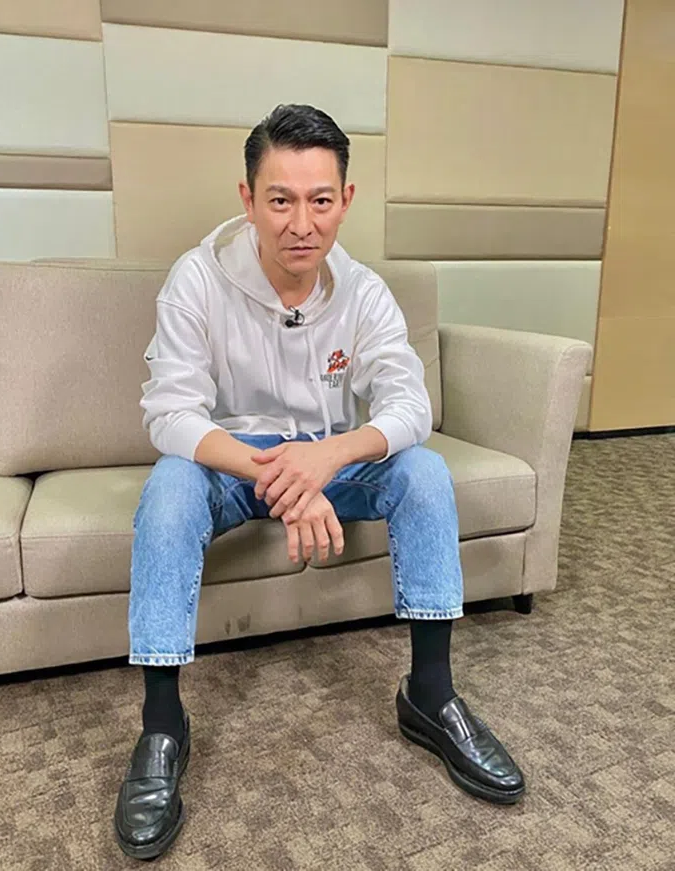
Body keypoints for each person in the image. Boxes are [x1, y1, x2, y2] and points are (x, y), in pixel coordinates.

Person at [114, 104, 525, 860]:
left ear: (345, 200)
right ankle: (162, 727)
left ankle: (431, 694)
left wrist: (327, 459)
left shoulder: (362, 290)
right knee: (169, 488)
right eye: (280, 200)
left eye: (320, 200)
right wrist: (279, 472)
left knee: (423, 470)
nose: (301, 224)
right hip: (233, 465)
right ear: (248, 199)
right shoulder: (197, 278)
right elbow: (169, 415)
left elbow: (409, 406)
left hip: (330, 458)